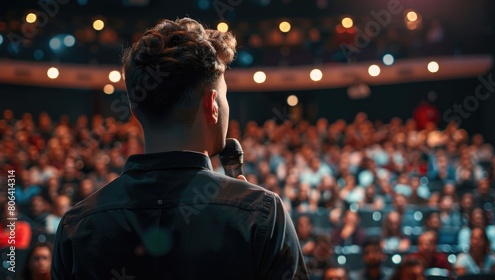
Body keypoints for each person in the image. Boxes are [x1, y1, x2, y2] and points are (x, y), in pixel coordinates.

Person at [51, 17, 308, 279]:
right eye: (224, 95)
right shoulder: (262, 215)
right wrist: (241, 209)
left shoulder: (77, 225)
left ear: (134, 110)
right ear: (213, 105)